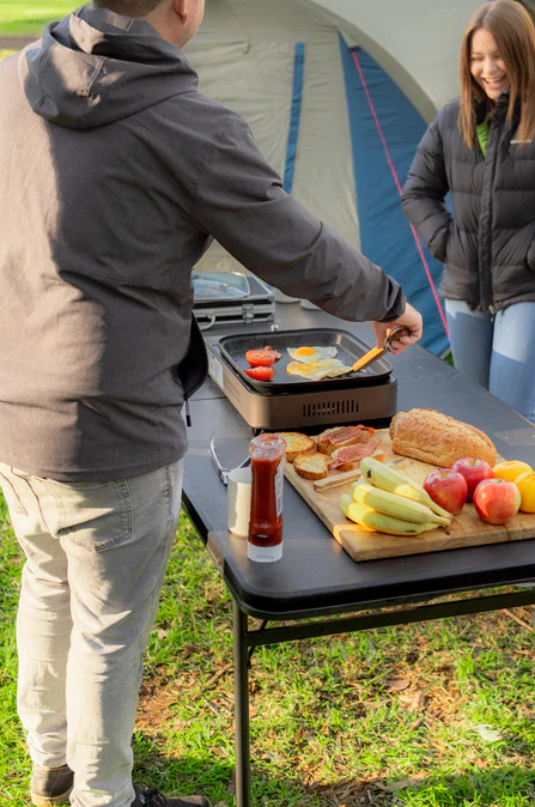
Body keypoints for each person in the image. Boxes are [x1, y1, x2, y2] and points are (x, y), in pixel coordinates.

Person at [0, 1, 423, 806]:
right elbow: (295, 245)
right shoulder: (184, 120)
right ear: (183, 5)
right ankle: (102, 794)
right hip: (110, 421)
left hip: (14, 407)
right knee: (107, 626)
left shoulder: (15, 78)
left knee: (48, 581)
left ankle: (53, 758)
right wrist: (386, 297)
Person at [401, 0, 535, 423]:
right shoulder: (452, 118)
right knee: (471, 417)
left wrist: (531, 255)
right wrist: (449, 245)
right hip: (466, 286)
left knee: (510, 418)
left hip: (533, 284)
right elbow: (417, 192)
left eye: (499, 56)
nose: (488, 68)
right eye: (477, 58)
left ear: (522, 53)